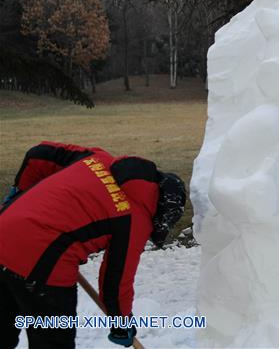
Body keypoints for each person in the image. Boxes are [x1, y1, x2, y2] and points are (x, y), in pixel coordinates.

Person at [0, 141, 187, 349]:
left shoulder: (97, 159)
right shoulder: (136, 219)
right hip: (42, 264)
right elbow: (115, 282)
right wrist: (121, 323)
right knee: (53, 341)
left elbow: (39, 154)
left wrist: (19, 192)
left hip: (3, 230)